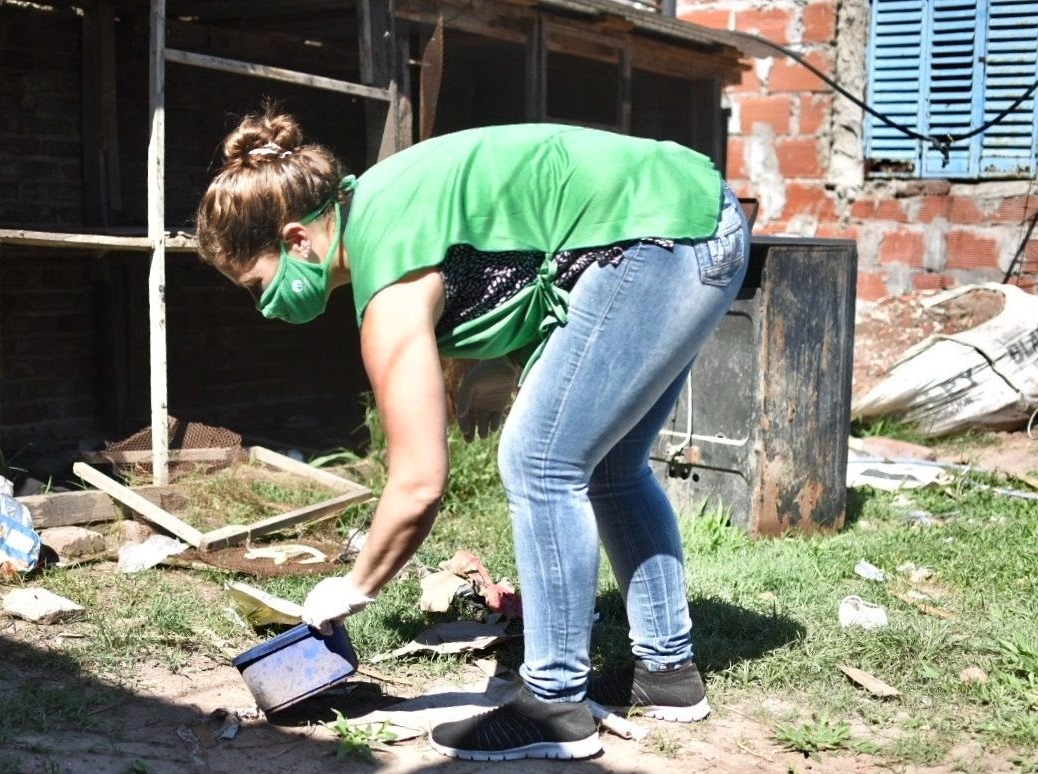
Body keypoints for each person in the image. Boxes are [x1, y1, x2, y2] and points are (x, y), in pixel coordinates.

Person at [195, 108, 750, 762]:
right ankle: (668, 676)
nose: (264, 306)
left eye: (257, 285)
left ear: (295, 241)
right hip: (695, 220)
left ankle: (554, 704)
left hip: (659, 237)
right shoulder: (378, 207)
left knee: (540, 463)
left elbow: (420, 482)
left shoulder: (389, 271)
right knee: (608, 467)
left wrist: (351, 587)